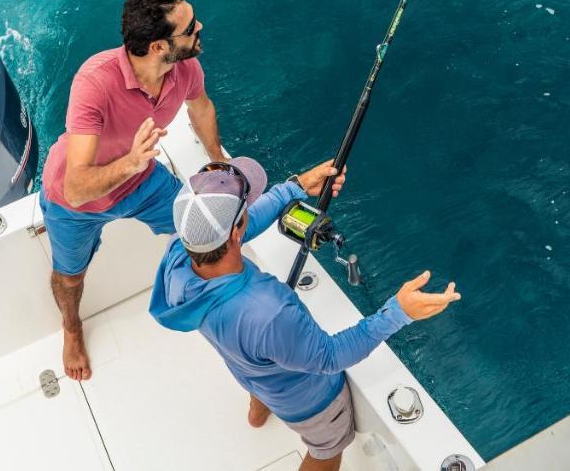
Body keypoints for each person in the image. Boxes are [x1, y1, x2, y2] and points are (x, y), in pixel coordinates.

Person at [150, 157, 460, 471]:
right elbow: (330, 357)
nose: (249, 212)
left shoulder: (178, 253)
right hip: (307, 402)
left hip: (248, 369)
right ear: (234, 235)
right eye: (245, 209)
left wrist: (295, 188)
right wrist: (398, 312)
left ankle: (257, 416)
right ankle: (281, 425)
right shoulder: (267, 310)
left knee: (257, 376)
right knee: (328, 450)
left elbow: (241, 226)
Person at [40, 0, 224, 381]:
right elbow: (75, 187)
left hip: (142, 184)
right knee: (70, 277)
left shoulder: (185, 67)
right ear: (158, 45)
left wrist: (219, 163)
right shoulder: (95, 82)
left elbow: (202, 109)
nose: (200, 28)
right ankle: (71, 328)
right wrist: (130, 162)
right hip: (74, 203)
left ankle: (209, 307)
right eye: (190, 27)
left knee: (206, 230)